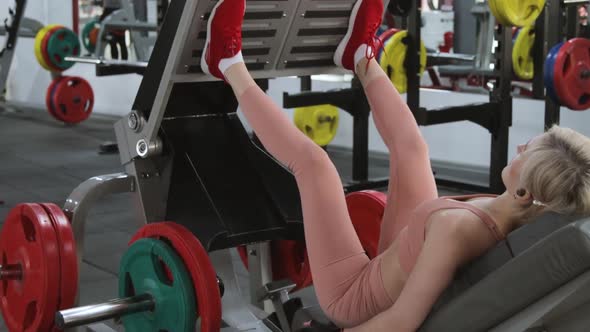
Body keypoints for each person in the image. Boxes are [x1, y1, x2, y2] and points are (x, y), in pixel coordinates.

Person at [201, 0, 590, 330]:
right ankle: (361, 57)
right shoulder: (515, 213)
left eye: (526, 151)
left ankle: (228, 62)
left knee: (316, 167)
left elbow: (402, 321)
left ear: (524, 193)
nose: (520, 145)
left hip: (353, 292)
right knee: (413, 150)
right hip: (405, 250)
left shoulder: (458, 231)